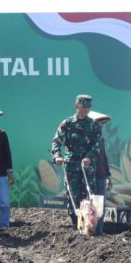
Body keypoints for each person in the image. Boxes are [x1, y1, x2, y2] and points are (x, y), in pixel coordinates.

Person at [50, 95, 102, 227]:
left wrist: (89, 157)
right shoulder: (67, 123)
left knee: (89, 195)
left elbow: (97, 144)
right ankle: (76, 225)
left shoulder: (94, 125)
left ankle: (89, 226)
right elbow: (56, 141)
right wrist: (57, 156)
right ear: (77, 105)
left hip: (87, 166)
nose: (86, 109)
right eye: (84, 106)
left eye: (88, 107)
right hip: (71, 166)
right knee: (72, 195)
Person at [89, 110, 113, 235]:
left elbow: (104, 158)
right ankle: (88, 230)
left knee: (100, 205)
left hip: (101, 175)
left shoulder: (101, 139)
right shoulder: (85, 139)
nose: (100, 126)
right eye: (97, 124)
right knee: (88, 204)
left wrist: (108, 175)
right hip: (88, 176)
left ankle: (99, 231)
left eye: (101, 124)